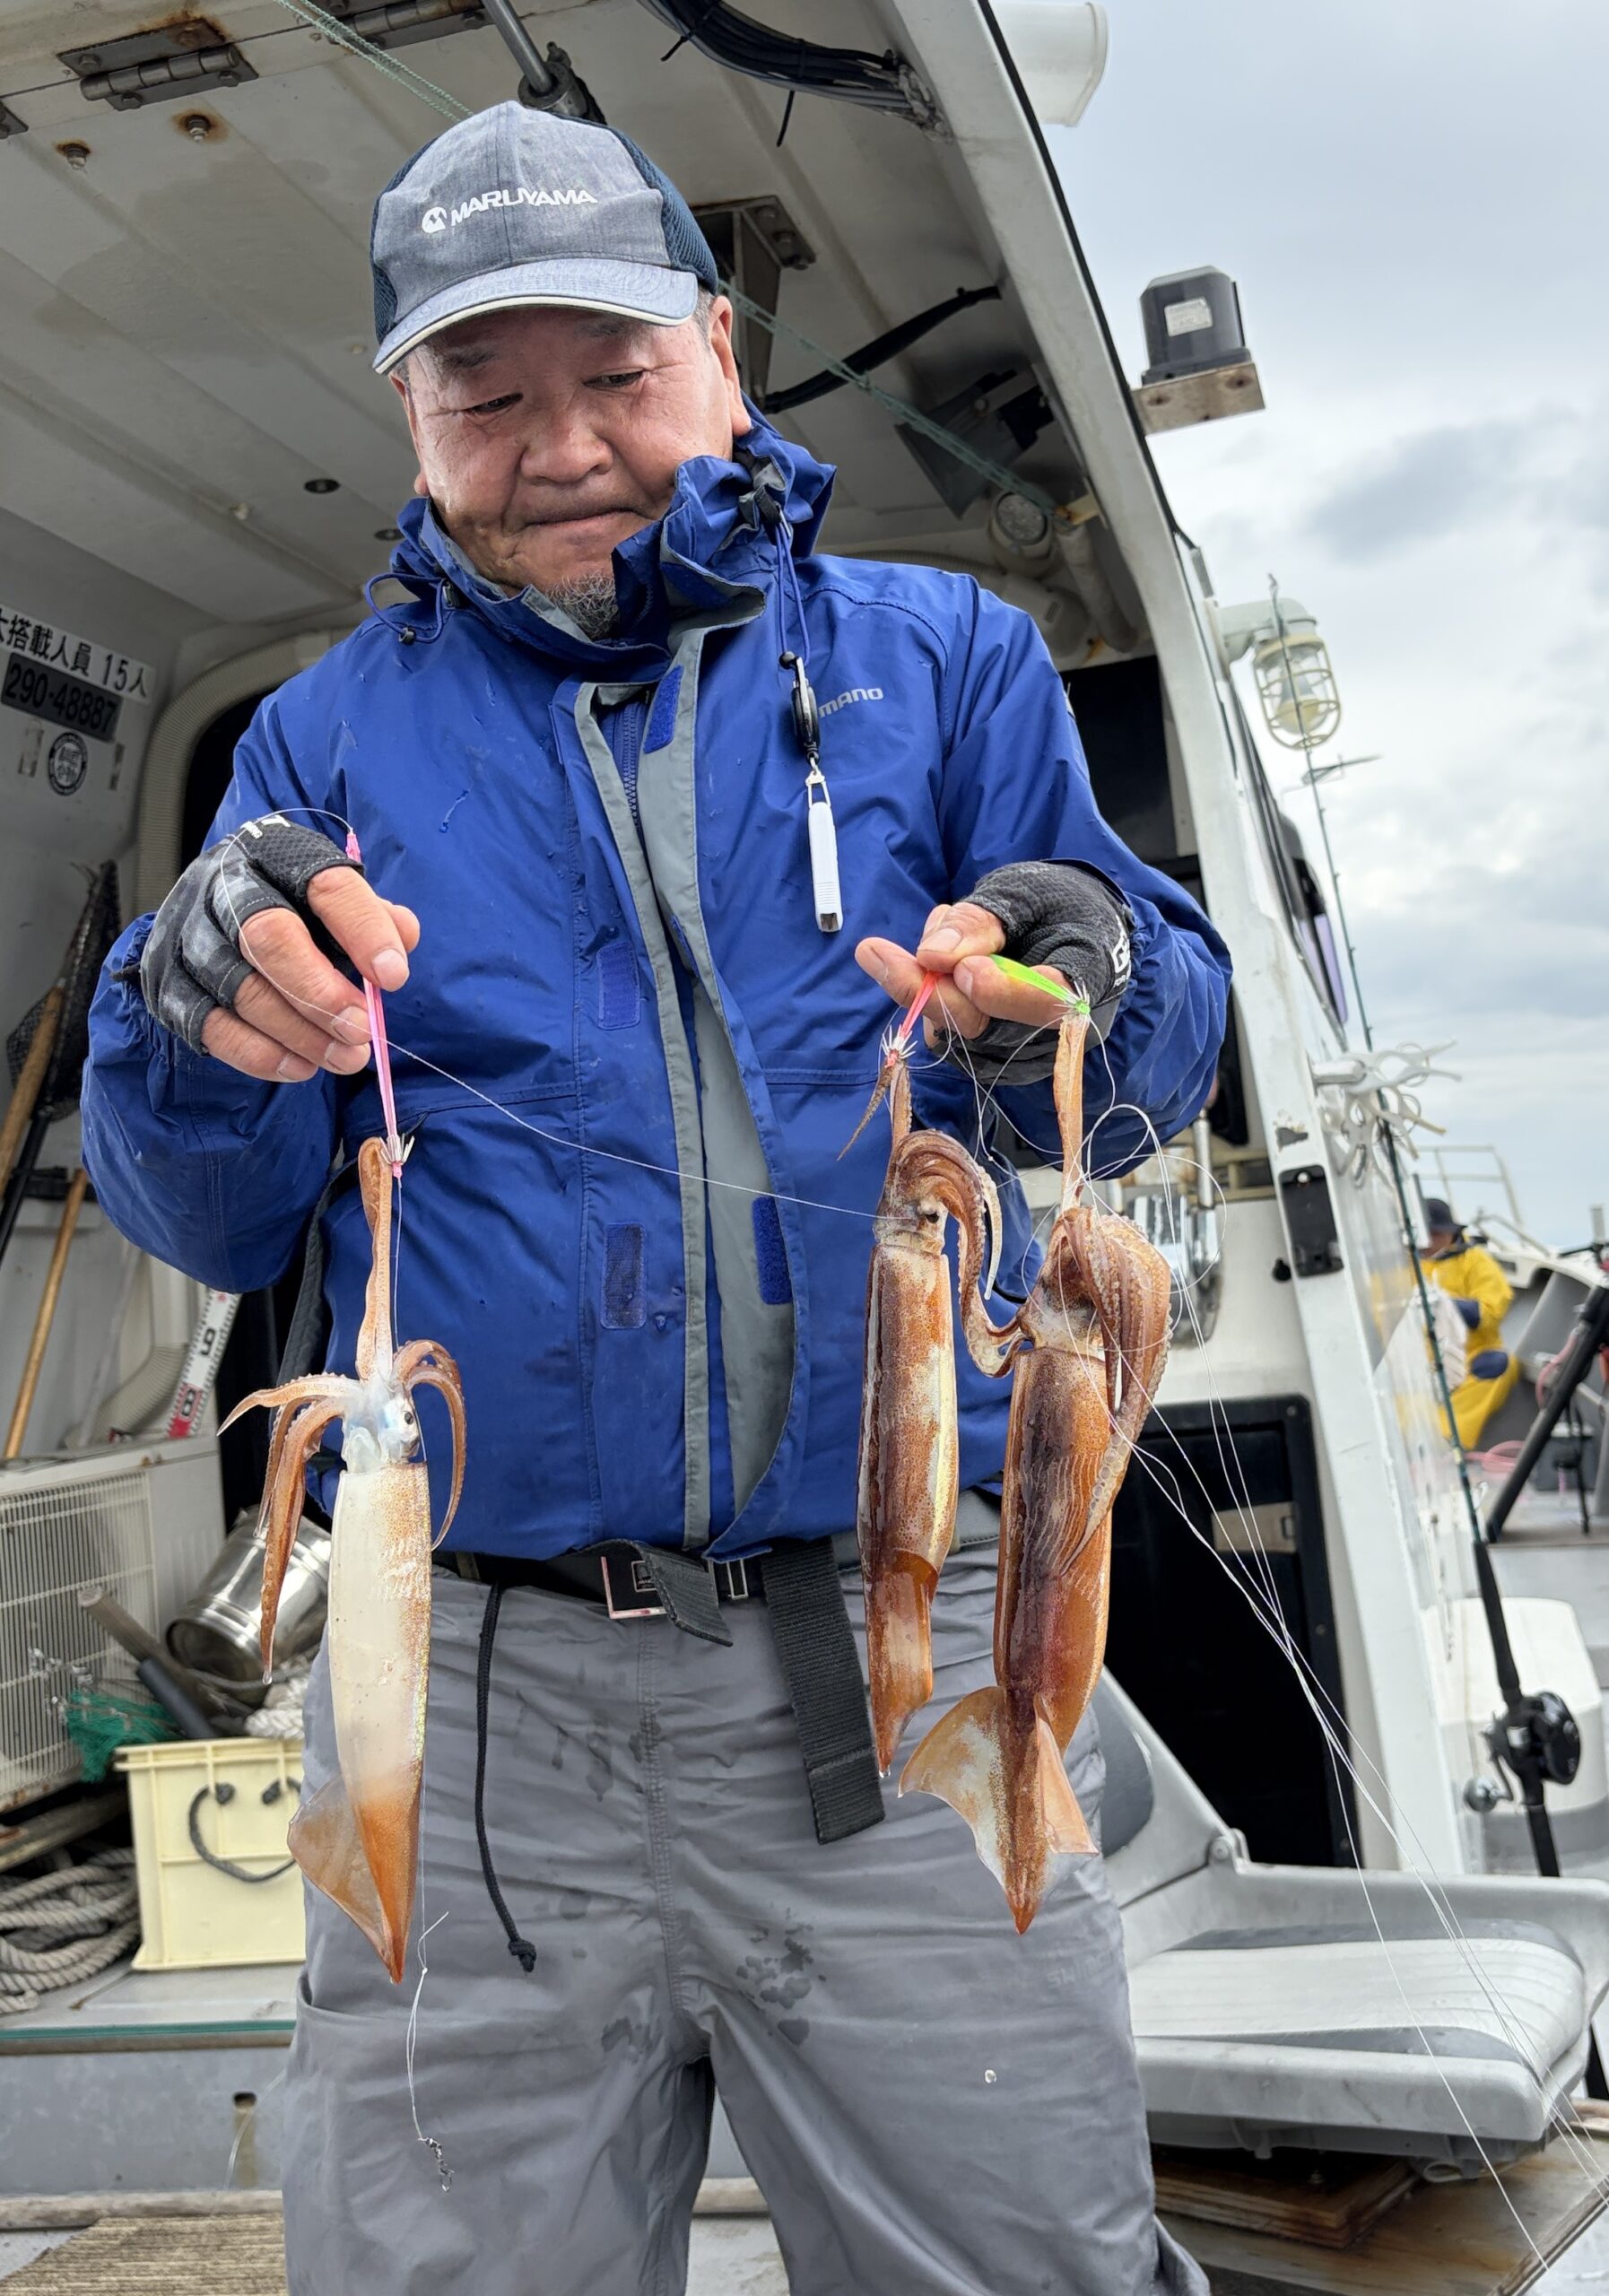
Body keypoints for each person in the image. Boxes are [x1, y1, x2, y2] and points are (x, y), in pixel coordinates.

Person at [83, 102, 1229, 2296]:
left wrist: (1075, 970)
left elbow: (1150, 1045)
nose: (562, 446)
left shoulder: (948, 659)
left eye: (614, 373)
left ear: (719, 348)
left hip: (896, 1649)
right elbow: (218, 1220)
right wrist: (185, 1018)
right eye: (484, 394)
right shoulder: (315, 746)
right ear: (408, 415)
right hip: (467, 1699)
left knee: (1021, 2261)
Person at [1422, 1196, 1520, 1449]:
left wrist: (1444, 1305)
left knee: (1499, 1365)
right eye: (1426, 1234)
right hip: (1416, 1360)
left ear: (1451, 1232)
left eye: (1436, 1234)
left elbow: (1492, 1310)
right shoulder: (1401, 1263)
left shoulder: (1476, 1261)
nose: (1430, 1241)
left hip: (1469, 1357)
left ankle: (1447, 1440)